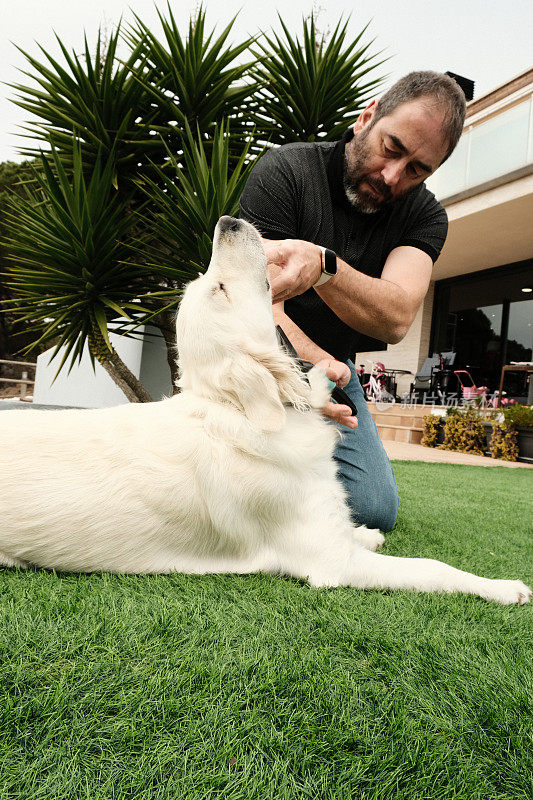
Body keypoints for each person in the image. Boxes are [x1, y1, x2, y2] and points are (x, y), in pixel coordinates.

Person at [239, 71, 466, 532]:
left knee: (372, 509)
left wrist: (324, 265)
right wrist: (310, 372)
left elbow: (398, 316)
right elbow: (254, 302)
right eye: (393, 148)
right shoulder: (285, 171)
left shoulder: (424, 216)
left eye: (417, 170)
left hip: (332, 375)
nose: (392, 176)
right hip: (255, 356)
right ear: (368, 117)